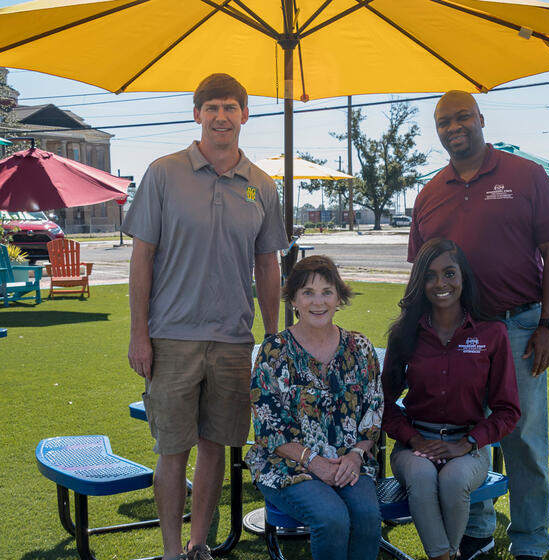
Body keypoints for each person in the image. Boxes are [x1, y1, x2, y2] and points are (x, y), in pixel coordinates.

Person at [122, 73, 288, 560]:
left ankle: (200, 546)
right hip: (171, 338)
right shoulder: (164, 172)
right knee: (172, 450)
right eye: (211, 107)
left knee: (216, 446)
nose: (221, 116)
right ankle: (173, 551)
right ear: (197, 114)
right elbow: (142, 258)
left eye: (230, 108)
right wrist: (139, 335)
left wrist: (273, 337)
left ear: (245, 115)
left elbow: (268, 264)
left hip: (235, 341)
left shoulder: (261, 185)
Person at [409, 90, 549, 560]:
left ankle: (530, 541)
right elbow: (421, 271)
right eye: (444, 122)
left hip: (520, 328)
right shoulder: (430, 191)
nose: (454, 127)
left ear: (481, 119)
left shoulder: (525, 176)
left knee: (522, 441)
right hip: (456, 335)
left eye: (463, 117)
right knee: (465, 433)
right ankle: (477, 527)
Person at [383, 238, 520, 560]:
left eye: (449, 273)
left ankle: (446, 554)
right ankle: (446, 556)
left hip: (467, 447)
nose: (440, 283)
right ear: (419, 281)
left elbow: (507, 410)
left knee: (454, 479)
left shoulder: (491, 333)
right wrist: (413, 439)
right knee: (422, 474)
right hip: (414, 446)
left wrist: (468, 443)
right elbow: (384, 403)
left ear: (463, 277)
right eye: (429, 275)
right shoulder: (405, 333)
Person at [247, 255, 383, 560]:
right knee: (331, 518)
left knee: (366, 514)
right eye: (308, 292)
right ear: (293, 298)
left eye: (326, 291)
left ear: (339, 298)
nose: (317, 301)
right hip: (287, 466)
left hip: (349, 463)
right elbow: (269, 429)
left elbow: (373, 414)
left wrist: (356, 454)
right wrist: (314, 461)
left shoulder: (360, 348)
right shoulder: (274, 351)